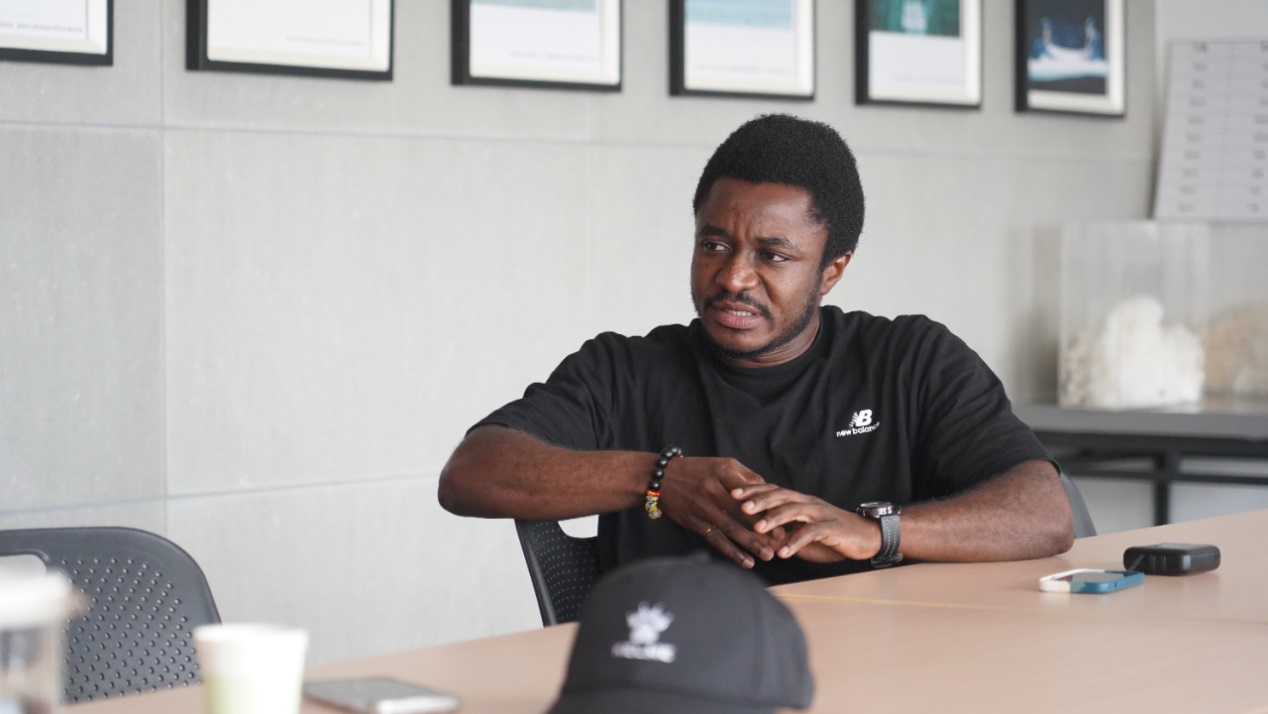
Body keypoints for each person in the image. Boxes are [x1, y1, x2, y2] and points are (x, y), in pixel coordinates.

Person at [439, 114, 1073, 586]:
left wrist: (874, 533)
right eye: (714, 245)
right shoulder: (624, 372)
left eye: (773, 255)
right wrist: (660, 480)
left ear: (831, 271)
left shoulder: (909, 360)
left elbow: (1045, 513)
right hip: (686, 681)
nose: (734, 277)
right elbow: (470, 472)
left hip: (882, 671)